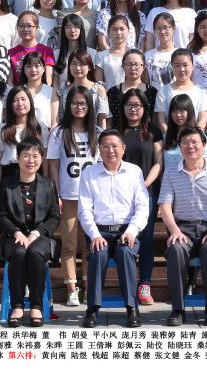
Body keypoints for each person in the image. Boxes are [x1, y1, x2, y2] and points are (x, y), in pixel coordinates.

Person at [159, 127, 207, 327]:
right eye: (185, 143)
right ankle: (177, 308)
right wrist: (175, 230)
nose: (190, 146)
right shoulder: (171, 172)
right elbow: (165, 206)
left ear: (204, 145)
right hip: (183, 229)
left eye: (194, 142)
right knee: (176, 250)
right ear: (179, 147)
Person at [78, 129, 149, 328]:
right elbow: (84, 210)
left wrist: (131, 231)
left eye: (115, 146)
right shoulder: (89, 173)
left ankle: (132, 308)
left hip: (126, 231)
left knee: (125, 252)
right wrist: (94, 235)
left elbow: (142, 207)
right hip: (99, 231)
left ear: (123, 149)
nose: (111, 150)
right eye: (106, 146)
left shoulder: (134, 172)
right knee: (98, 253)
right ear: (99, 149)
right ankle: (92, 309)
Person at [46, 86, 103, 307]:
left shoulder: (98, 132)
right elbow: (53, 165)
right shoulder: (59, 133)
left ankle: (88, 288)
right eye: (75, 103)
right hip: (68, 195)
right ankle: (72, 289)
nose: (79, 107)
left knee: (89, 245)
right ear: (67, 105)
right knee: (69, 245)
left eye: (83, 103)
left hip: (92, 198)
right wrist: (57, 193)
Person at [0, 137, 61, 327]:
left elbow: (54, 217)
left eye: (35, 156)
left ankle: (36, 305)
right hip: (13, 236)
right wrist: (16, 233)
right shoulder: (6, 185)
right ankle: (17, 305)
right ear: (17, 158)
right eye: (26, 155)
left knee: (34, 252)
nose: (31, 160)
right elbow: (1, 216)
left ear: (42, 158)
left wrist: (36, 233)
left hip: (41, 236)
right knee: (19, 252)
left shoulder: (48, 184)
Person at [116, 89, 163, 305]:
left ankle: (145, 284)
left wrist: (143, 185)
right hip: (120, 194)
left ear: (144, 108)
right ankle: (127, 283)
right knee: (124, 237)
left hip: (146, 192)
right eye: (129, 105)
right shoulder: (117, 131)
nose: (133, 109)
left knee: (146, 238)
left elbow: (158, 163)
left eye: (137, 105)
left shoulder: (153, 131)